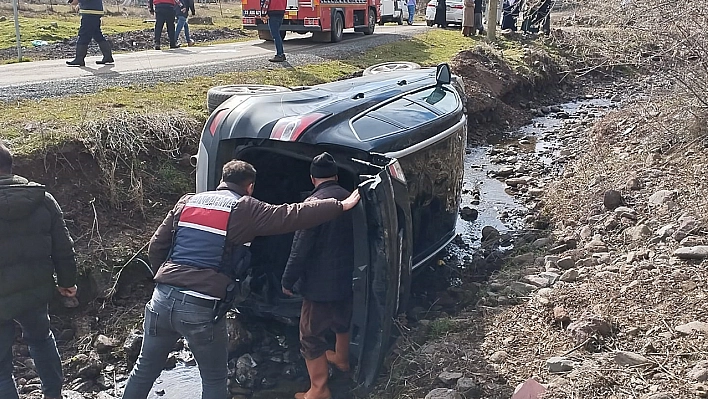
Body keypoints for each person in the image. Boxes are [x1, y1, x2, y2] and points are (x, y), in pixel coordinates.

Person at [120, 159, 360, 399]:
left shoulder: (188, 201)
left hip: (161, 300)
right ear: (250, 187)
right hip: (201, 308)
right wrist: (340, 205)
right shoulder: (244, 208)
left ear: (221, 181)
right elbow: (291, 215)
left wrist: (165, 279)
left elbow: (156, 246)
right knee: (214, 380)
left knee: (144, 369)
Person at [0, 142, 78, 399]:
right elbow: (63, 247)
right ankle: (54, 394)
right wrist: (68, 281)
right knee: (42, 340)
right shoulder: (42, 199)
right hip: (34, 291)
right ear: (11, 166)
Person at [281, 153, 355, 399]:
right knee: (341, 319)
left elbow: (300, 248)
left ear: (313, 179)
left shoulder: (312, 205)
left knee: (310, 335)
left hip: (319, 283)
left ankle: (319, 389)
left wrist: (287, 280)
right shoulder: (351, 197)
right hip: (348, 276)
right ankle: (342, 358)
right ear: (335, 176)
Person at [66, 0, 114, 66]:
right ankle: (108, 56)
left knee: (84, 35)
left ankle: (79, 59)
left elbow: (75, 1)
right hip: (96, 11)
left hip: (89, 12)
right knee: (97, 34)